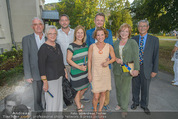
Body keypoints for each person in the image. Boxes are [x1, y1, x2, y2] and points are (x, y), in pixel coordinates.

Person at [131, 20, 159, 115]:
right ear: (138, 27)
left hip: (147, 68)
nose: (142, 28)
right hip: (136, 67)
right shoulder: (133, 39)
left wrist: (155, 70)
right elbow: (130, 55)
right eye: (140, 26)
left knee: (145, 88)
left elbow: (156, 56)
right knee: (135, 86)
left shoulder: (154, 40)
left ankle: (144, 105)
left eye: (144, 26)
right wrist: (130, 68)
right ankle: (135, 102)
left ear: (147, 27)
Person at [86, 12, 113, 110]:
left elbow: (111, 46)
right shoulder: (89, 32)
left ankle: (104, 104)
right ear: (94, 21)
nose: (99, 22)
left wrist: (109, 58)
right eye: (98, 20)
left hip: (105, 64)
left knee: (105, 89)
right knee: (96, 88)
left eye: (101, 20)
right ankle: (96, 104)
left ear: (104, 21)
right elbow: (87, 46)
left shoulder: (108, 32)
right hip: (94, 64)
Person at [38, 25, 68, 111]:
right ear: (46, 34)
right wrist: (45, 82)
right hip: (50, 80)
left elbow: (61, 60)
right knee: (52, 102)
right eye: (50, 33)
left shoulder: (57, 46)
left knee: (58, 100)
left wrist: (65, 71)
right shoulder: (43, 49)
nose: (52, 35)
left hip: (59, 77)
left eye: (54, 33)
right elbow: (41, 67)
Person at [113, 23, 139, 117]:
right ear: (119, 32)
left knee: (125, 89)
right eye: (122, 31)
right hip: (117, 69)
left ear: (129, 33)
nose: (124, 33)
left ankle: (124, 108)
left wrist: (137, 69)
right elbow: (112, 56)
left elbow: (136, 56)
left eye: (126, 31)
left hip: (128, 69)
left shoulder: (132, 43)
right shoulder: (115, 43)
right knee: (118, 88)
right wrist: (115, 59)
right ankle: (119, 104)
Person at [22, 17, 45, 112]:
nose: (38, 26)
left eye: (40, 24)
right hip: (35, 74)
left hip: (48, 73)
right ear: (32, 27)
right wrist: (28, 75)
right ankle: (39, 113)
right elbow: (25, 58)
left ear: (43, 26)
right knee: (37, 97)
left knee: (49, 95)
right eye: (35, 24)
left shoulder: (48, 37)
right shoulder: (27, 39)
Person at [67, 25, 90, 112]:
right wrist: (79, 67)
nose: (80, 35)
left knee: (84, 88)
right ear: (75, 34)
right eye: (78, 33)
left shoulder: (85, 45)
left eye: (81, 33)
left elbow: (88, 58)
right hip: (76, 72)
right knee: (77, 90)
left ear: (84, 34)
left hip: (85, 72)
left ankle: (77, 101)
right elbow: (68, 59)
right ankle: (79, 107)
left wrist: (87, 67)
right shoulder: (71, 46)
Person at [56, 14, 74, 110]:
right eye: (62, 20)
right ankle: (63, 102)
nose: (64, 22)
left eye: (66, 20)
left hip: (74, 63)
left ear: (69, 21)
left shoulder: (74, 32)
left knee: (75, 82)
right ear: (59, 22)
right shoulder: (56, 33)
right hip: (61, 63)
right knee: (62, 84)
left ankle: (76, 98)